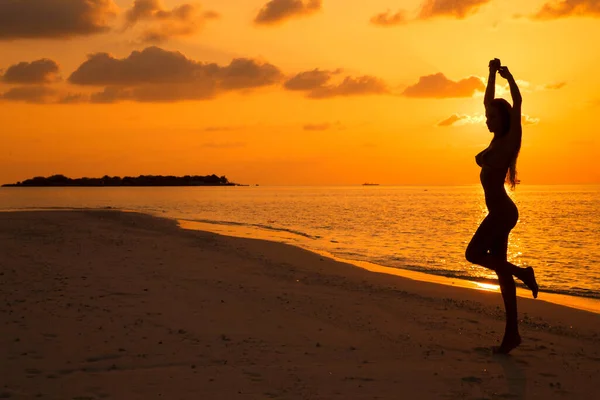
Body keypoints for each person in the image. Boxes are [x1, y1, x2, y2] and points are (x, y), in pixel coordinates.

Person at [465, 58, 539, 354]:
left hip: (503, 213)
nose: (487, 120)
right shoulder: (495, 141)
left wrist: (509, 77)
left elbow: (518, 102)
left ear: (503, 119)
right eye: (488, 117)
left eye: (493, 117)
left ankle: (524, 272)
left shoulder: (510, 140)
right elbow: (486, 101)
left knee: (473, 254)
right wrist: (491, 73)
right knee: (501, 275)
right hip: (497, 212)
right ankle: (512, 335)